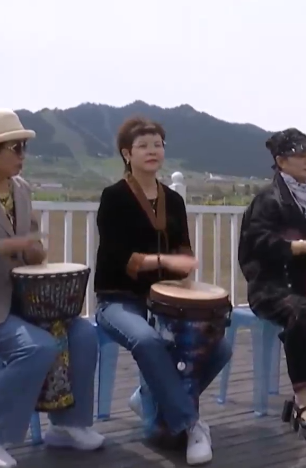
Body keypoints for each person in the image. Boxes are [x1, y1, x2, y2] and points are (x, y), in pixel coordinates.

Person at [0, 109, 104, 468]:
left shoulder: (21, 190)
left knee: (84, 334)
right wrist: (0, 248)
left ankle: (68, 424)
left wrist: (35, 250)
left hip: (27, 301)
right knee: (36, 347)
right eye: (15, 148)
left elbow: (31, 246)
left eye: (23, 148)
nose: (21, 156)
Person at [94, 116, 229, 466]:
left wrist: (185, 266)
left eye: (158, 145)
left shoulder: (173, 199)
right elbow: (118, 257)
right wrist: (168, 263)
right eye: (143, 146)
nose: (153, 151)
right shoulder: (113, 197)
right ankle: (191, 424)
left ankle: (149, 397)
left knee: (221, 345)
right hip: (118, 300)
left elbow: (182, 248)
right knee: (148, 340)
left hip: (165, 303)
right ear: (127, 154)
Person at [239, 128, 306, 442]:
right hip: (272, 287)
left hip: (305, 283)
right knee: (300, 312)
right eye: (300, 154)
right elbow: (258, 243)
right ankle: (303, 401)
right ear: (280, 161)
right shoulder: (267, 199)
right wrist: (304, 247)